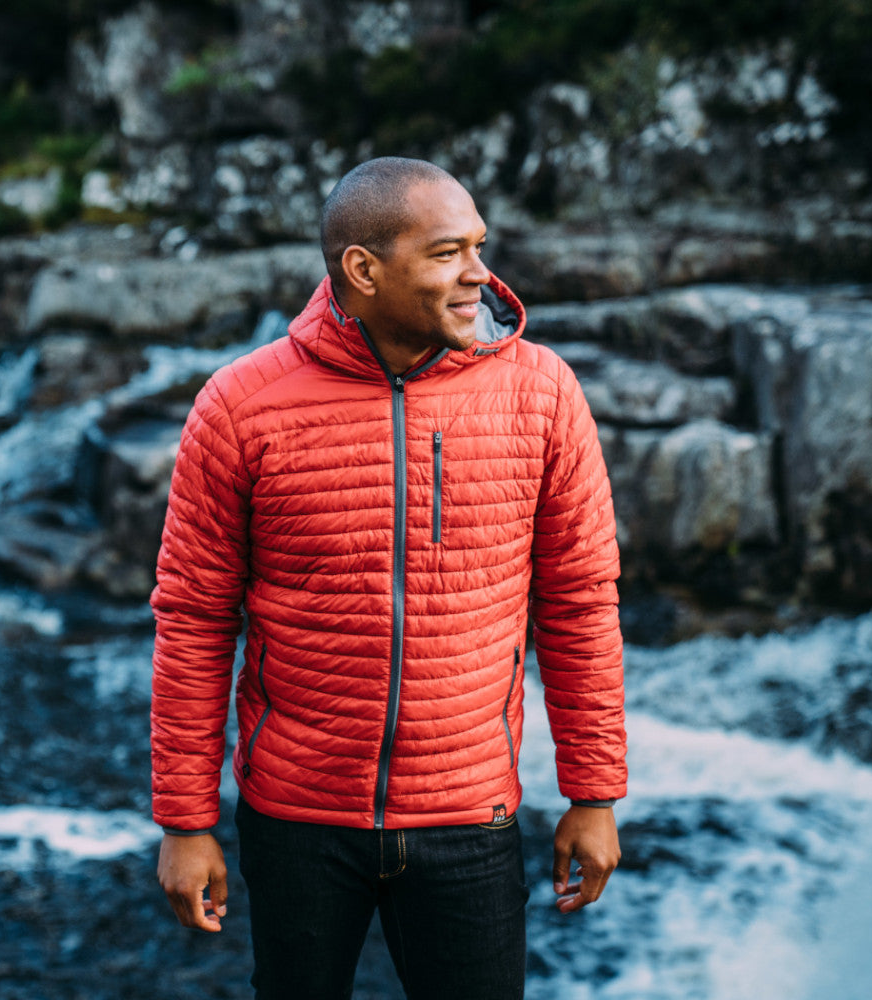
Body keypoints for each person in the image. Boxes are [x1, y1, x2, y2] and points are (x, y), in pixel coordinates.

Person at [149, 156, 625, 1000]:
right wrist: (186, 822)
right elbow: (194, 617)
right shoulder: (239, 405)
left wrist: (592, 794)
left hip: (470, 818)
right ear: (363, 271)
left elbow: (580, 602)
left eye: (479, 245)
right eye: (447, 253)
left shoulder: (542, 394)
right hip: (296, 821)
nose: (480, 273)